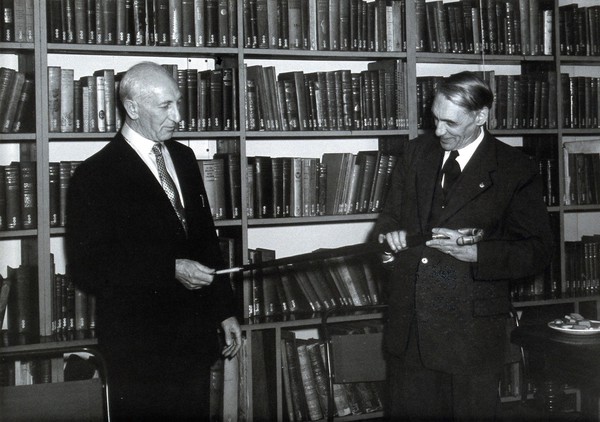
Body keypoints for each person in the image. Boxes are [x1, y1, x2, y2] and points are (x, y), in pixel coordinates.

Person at [66, 61, 242, 421]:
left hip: (193, 341)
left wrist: (224, 310)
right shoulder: (95, 175)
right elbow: (88, 268)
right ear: (132, 108)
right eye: (165, 106)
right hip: (138, 348)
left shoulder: (184, 157)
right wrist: (169, 269)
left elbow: (205, 240)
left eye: (177, 103)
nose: (178, 116)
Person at [375, 71, 553, 421]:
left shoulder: (515, 168)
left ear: (481, 116)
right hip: (409, 330)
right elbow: (389, 219)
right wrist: (388, 240)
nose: (438, 131)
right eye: (435, 118)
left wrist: (475, 253)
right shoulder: (415, 153)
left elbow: (537, 249)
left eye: (449, 122)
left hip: (470, 335)